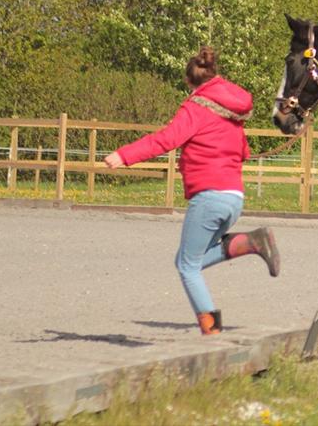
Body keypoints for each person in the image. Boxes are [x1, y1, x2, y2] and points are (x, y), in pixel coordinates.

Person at [104, 46, 280, 335]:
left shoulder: (195, 107)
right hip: (234, 197)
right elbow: (243, 152)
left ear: (189, 82)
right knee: (187, 261)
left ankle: (212, 330)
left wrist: (124, 155)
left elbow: (166, 139)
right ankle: (250, 243)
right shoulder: (232, 114)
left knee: (187, 267)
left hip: (210, 197)